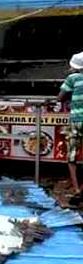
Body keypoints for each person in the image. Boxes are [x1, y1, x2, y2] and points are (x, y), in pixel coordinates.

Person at [58, 51, 83, 204]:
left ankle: (77, 190)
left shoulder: (72, 78)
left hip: (76, 120)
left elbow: (60, 97)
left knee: (72, 156)